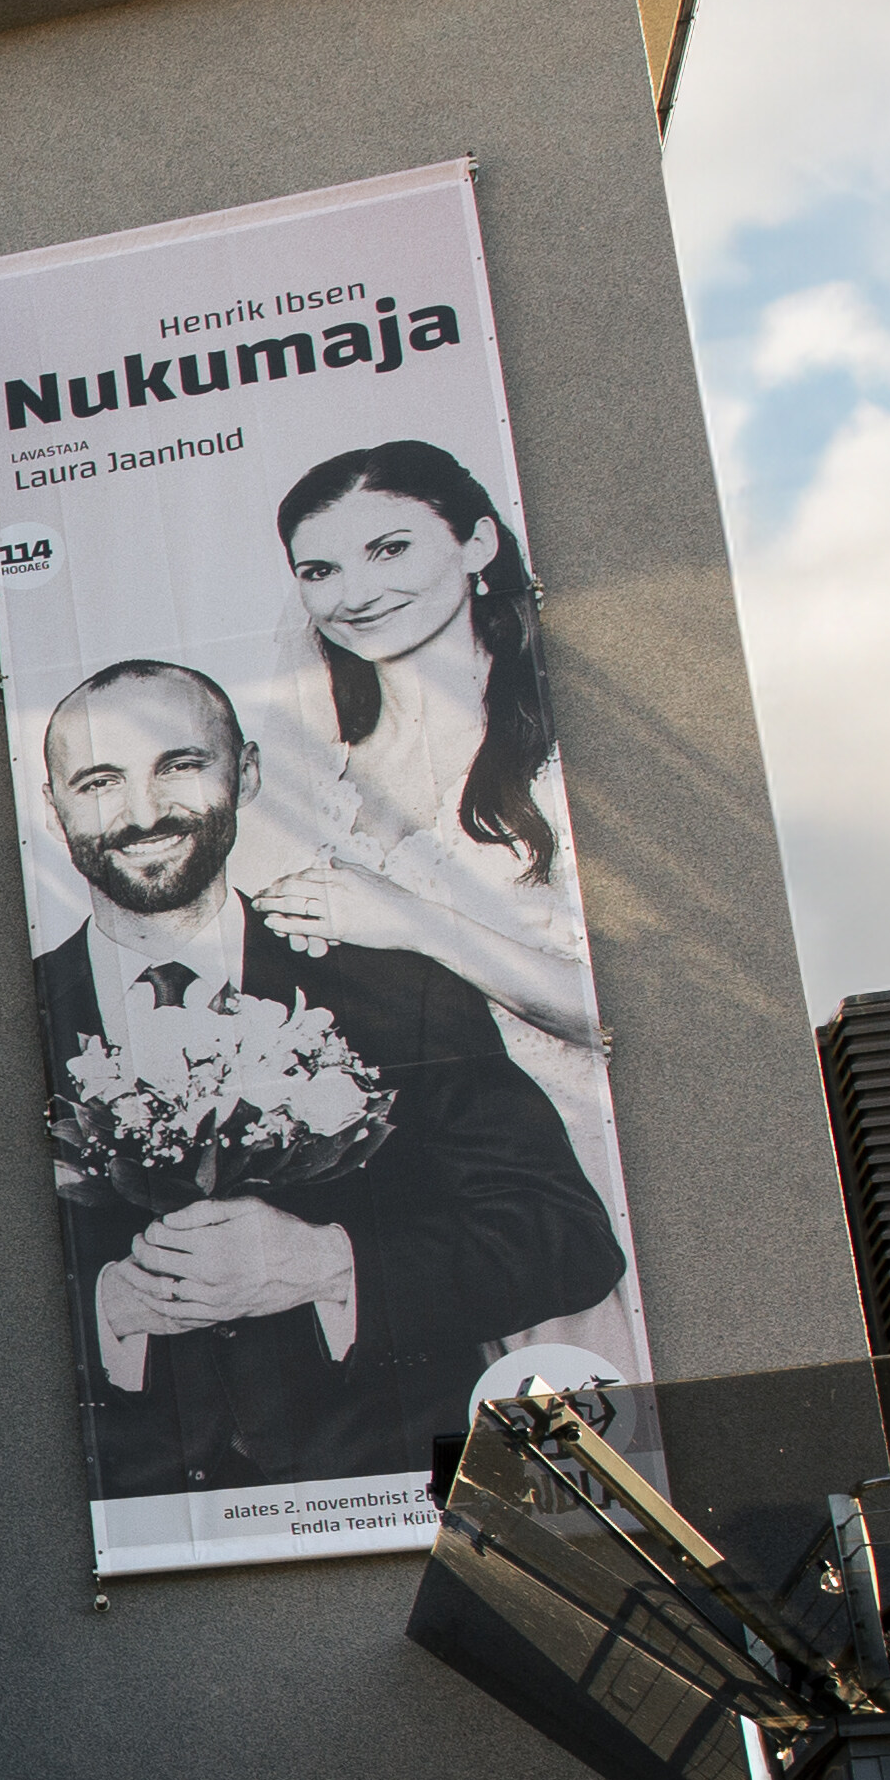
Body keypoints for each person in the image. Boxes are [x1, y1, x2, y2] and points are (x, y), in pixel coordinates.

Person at [29, 660, 623, 1499]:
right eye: (99, 781)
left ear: (250, 772)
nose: (144, 812)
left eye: (181, 765)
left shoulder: (392, 991)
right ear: (56, 810)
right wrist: (101, 1311)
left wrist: (329, 1264)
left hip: (392, 1498)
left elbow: (565, 1240)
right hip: (130, 1523)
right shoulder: (13, 1034)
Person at [245, 439, 638, 1371]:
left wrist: (412, 920)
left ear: (477, 544)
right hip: (422, 1203)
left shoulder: (565, 745)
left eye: (390, 549)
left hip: (577, 1175)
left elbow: (608, 1007)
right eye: (320, 570)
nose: (355, 592)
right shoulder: (315, 775)